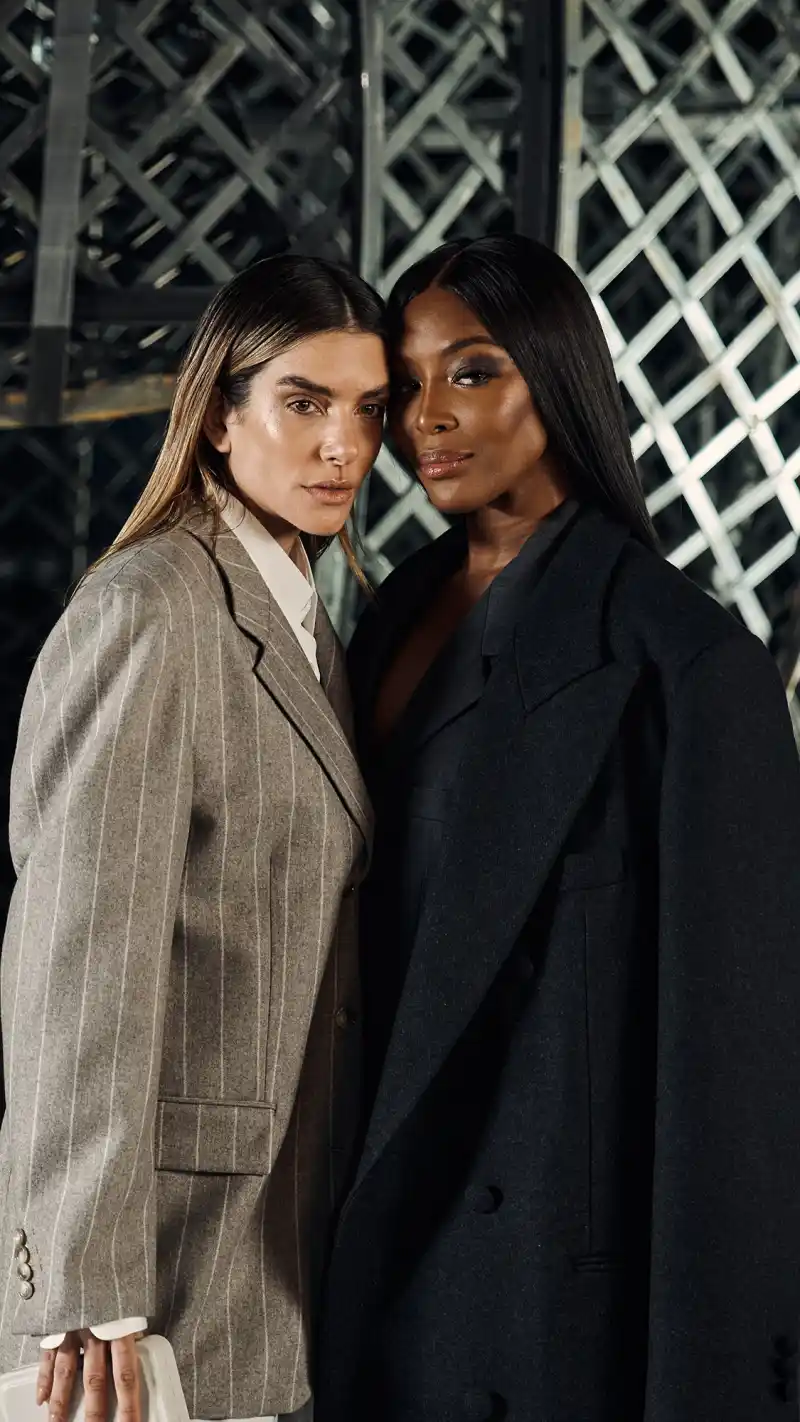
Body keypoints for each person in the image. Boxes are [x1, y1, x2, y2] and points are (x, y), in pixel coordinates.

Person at [316, 234, 800, 1422]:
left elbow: (730, 1092)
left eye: (472, 373)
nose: (429, 417)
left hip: (538, 1317)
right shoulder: (375, 625)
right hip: (354, 1269)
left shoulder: (683, 665)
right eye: (407, 384)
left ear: (558, 377)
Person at [0, 254, 388, 1422]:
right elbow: (79, 959)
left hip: (275, 1236)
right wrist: (83, 1284)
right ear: (219, 416)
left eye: (367, 410)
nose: (342, 446)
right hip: (154, 1269)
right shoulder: (153, 609)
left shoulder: (306, 621)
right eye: (303, 403)